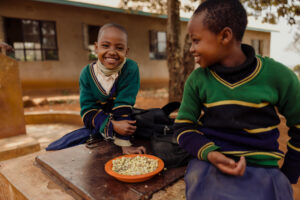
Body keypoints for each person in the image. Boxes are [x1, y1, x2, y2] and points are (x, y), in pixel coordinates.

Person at [174, 0, 300, 199]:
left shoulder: (278, 76)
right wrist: (211, 154)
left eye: (196, 40)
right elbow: (183, 127)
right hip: (209, 163)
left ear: (225, 36)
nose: (191, 49)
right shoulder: (198, 80)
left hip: (263, 167)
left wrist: (288, 175)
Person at [80, 23, 146, 155]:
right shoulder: (86, 74)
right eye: (105, 45)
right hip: (97, 124)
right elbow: (87, 112)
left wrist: (124, 144)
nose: (112, 52)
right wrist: (113, 125)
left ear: (126, 52)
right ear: (96, 47)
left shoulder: (130, 68)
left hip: (124, 118)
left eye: (119, 48)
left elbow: (124, 103)